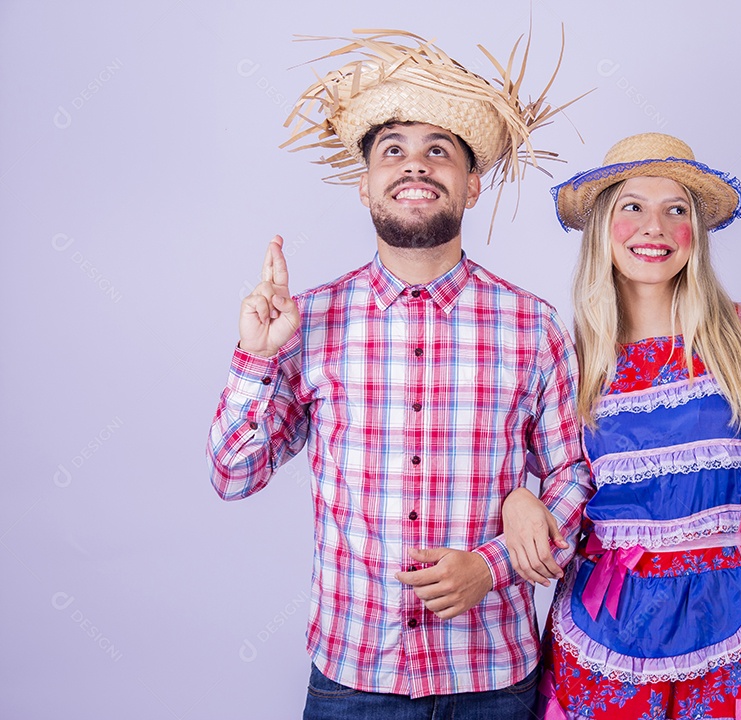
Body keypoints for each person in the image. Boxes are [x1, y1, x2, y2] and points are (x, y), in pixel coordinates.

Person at [206, 29, 590, 719]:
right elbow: (232, 476)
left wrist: (493, 564)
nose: (416, 165)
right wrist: (257, 359)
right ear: (365, 186)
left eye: (438, 151)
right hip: (354, 680)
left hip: (493, 679)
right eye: (394, 151)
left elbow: (573, 476)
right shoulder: (311, 321)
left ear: (472, 185)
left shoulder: (533, 326)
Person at [502, 133, 741, 719]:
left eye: (676, 210)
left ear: (696, 232)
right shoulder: (568, 359)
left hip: (738, 623)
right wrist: (518, 496)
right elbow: (546, 478)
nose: (656, 227)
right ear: (601, 230)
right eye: (632, 207)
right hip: (605, 632)